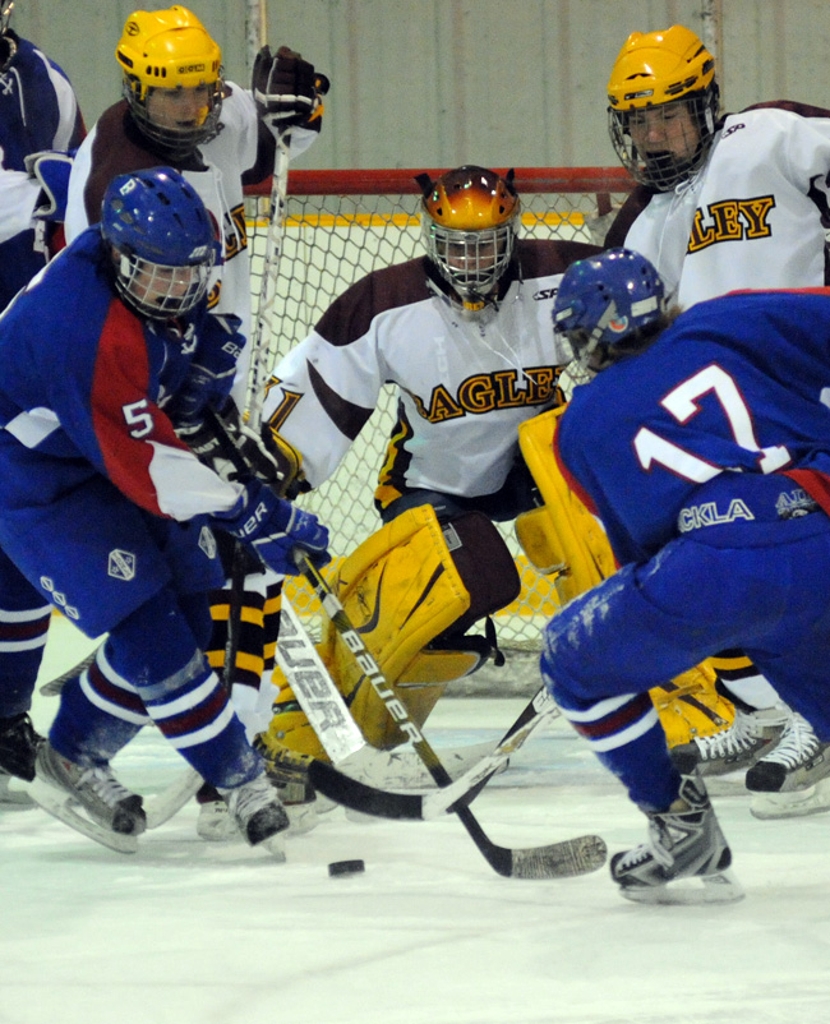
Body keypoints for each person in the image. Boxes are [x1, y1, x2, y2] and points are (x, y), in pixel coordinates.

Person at [253, 164, 619, 785]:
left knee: (595, 532)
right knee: (465, 579)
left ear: (512, 234)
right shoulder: (384, 304)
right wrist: (271, 471)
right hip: (433, 480)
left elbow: (644, 317)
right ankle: (342, 723)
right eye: (455, 245)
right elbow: (314, 389)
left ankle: (656, 679)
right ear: (428, 236)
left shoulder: (562, 276)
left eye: (486, 244)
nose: (472, 261)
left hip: (534, 467)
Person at [0, 166, 330, 853]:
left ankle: (70, 756)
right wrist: (249, 509)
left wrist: (199, 375)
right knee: (152, 632)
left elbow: (163, 385)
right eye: (161, 276)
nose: (178, 291)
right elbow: (150, 469)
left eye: (189, 276)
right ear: (119, 256)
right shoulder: (85, 333)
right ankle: (241, 783)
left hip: (86, 449)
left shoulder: (140, 274)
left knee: (194, 602)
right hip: (29, 478)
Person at [64, 5, 330, 837]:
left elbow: (278, 132)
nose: (192, 109)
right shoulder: (116, 174)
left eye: (201, 92)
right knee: (220, 571)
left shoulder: (215, 110)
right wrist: (188, 407)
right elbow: (118, 322)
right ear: (139, 89)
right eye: (173, 95)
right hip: (144, 402)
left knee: (239, 574)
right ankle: (228, 767)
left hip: (214, 385)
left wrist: (302, 103)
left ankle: (219, 752)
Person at [542, 247, 830, 903]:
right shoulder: (727, 321)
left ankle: (681, 828)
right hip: (822, 529)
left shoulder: (582, 423)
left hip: (720, 566)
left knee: (572, 663)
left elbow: (646, 551)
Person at [602, 23, 830, 806]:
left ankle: (816, 712)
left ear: (707, 106)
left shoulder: (769, 138)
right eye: (638, 121)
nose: (655, 136)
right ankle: (771, 708)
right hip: (729, 426)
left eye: (668, 115)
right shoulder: (644, 224)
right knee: (707, 548)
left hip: (811, 385)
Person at [0, 0, 86, 806]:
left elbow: (79, 222)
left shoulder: (44, 86)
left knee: (17, 555)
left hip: (13, 360)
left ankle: (3, 720)